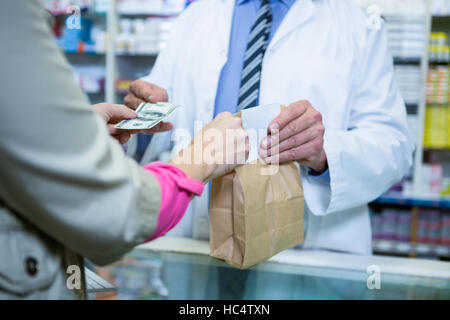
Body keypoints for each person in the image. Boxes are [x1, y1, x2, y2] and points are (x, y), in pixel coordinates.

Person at [0, 0, 248, 299]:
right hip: (183, 240)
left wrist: (77, 133)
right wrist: (201, 160)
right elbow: (113, 212)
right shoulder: (12, 15)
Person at [124, 0, 414, 254]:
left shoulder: (359, 26)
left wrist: (324, 153)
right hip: (198, 244)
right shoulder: (194, 17)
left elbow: (394, 145)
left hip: (307, 256)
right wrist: (142, 118)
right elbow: (159, 127)